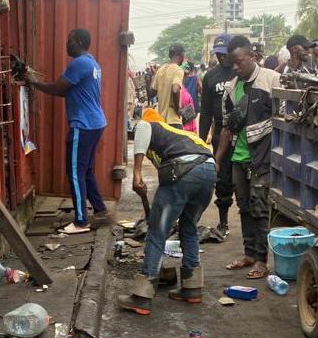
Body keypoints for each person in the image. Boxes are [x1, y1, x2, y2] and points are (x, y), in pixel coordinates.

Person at [118, 108, 216, 315]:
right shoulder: (179, 136)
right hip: (208, 171)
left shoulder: (149, 124)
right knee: (189, 227)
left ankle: (142, 296)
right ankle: (192, 287)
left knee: (157, 231)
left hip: (185, 168)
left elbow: (143, 128)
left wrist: (137, 174)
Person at [24, 28, 108, 234]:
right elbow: (70, 91)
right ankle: (100, 210)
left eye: (69, 40)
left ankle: (81, 221)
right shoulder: (92, 63)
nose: (66, 44)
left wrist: (33, 81)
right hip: (96, 123)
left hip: (83, 125)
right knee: (86, 171)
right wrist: (37, 81)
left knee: (75, 173)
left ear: (78, 41)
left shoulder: (79, 63)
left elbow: (57, 88)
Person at [218, 35, 280, 280]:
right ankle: (249, 254)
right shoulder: (230, 88)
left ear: (252, 56)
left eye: (239, 62)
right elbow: (226, 127)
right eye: (231, 63)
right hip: (239, 156)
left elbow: (285, 121)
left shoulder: (271, 80)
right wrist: (218, 158)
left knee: (260, 208)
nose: (235, 67)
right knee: (244, 206)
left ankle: (262, 260)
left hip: (262, 158)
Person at [199, 32, 234, 237]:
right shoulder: (210, 76)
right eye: (218, 54)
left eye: (224, 53)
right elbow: (205, 112)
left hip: (241, 133)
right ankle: (223, 222)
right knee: (222, 178)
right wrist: (201, 141)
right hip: (220, 133)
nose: (221, 57)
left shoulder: (240, 72)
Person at [151, 44, 185, 128]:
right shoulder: (178, 70)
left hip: (161, 120)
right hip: (173, 120)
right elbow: (175, 90)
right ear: (181, 55)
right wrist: (178, 109)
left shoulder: (160, 70)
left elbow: (152, 92)